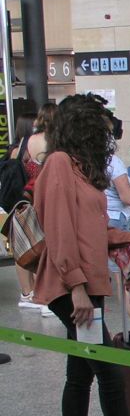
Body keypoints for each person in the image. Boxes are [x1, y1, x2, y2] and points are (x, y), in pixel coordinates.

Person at [34, 94, 130, 416]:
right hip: (73, 288)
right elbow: (59, 231)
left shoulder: (80, 168)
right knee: (109, 372)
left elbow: (94, 231)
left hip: (88, 284)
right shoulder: (58, 164)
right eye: (101, 127)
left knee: (80, 374)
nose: (108, 135)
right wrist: (76, 288)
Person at [8, 111, 52, 316]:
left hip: (20, 201)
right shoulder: (44, 143)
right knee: (41, 246)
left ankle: (27, 292)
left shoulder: (18, 149)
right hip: (37, 200)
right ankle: (42, 293)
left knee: (23, 246)